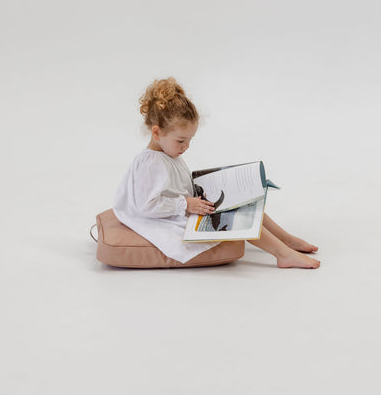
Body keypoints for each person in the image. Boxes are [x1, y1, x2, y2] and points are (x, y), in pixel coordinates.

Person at [112, 77, 321, 269]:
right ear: (157, 133)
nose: (186, 146)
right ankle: (283, 254)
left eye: (190, 140)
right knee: (234, 215)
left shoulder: (168, 152)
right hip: (166, 218)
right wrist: (185, 204)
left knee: (244, 200)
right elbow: (146, 205)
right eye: (181, 140)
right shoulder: (151, 163)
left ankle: (286, 239)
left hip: (186, 205)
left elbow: (176, 185)